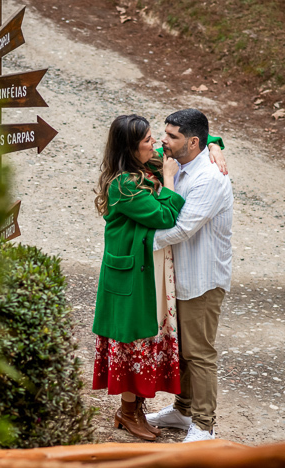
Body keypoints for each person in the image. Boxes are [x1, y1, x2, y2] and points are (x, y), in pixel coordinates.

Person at [91, 114, 185, 441]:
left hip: (147, 270)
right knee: (133, 341)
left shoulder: (146, 167)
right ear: (131, 147)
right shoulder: (124, 185)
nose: (154, 143)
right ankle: (127, 412)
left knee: (145, 339)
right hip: (129, 276)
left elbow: (195, 141)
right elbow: (165, 216)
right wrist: (169, 180)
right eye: (147, 139)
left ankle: (135, 410)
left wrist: (215, 147)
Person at [145, 109, 234, 443]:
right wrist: (215, 142)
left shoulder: (210, 178)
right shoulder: (177, 159)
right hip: (179, 277)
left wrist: (137, 241)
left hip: (202, 280)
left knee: (198, 353)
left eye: (172, 136)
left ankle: (205, 425)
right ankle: (183, 411)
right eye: (165, 133)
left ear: (192, 142)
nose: (163, 141)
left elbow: (182, 229)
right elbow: (135, 149)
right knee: (181, 349)